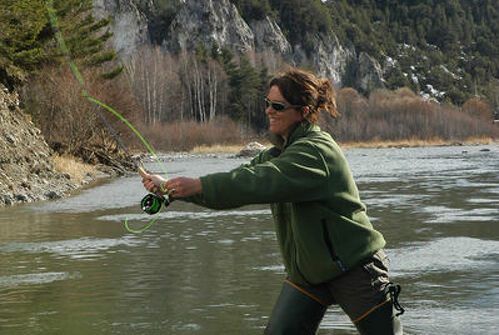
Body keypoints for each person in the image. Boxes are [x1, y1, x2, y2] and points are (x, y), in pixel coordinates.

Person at [142, 67, 404, 335]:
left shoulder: (315, 152)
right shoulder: (281, 152)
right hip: (308, 272)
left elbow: (255, 183)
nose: (268, 110)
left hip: (355, 268)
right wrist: (170, 188)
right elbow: (239, 177)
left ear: (303, 112)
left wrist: (195, 186)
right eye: (267, 103)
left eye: (278, 106)